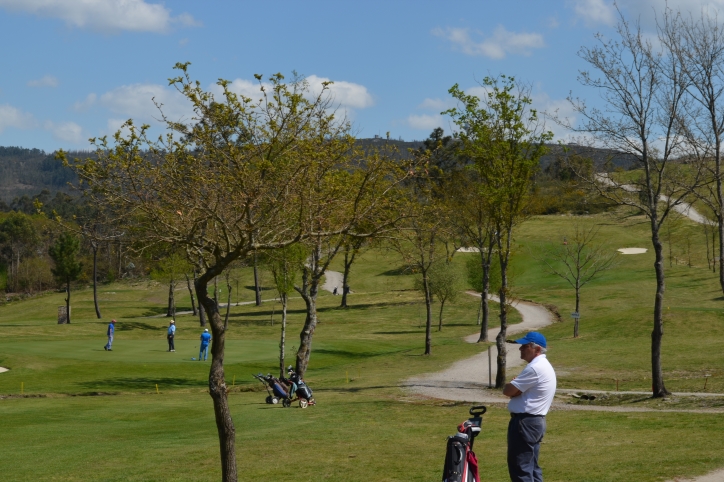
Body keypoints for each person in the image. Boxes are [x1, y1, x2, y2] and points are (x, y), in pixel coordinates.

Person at [503, 332, 557, 482]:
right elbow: (515, 390)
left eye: (525, 346)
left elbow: (508, 391)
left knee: (521, 468)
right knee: (531, 467)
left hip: (525, 422)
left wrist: (514, 388)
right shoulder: (541, 366)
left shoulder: (535, 368)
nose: (520, 349)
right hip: (533, 422)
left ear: (537, 349)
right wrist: (516, 388)